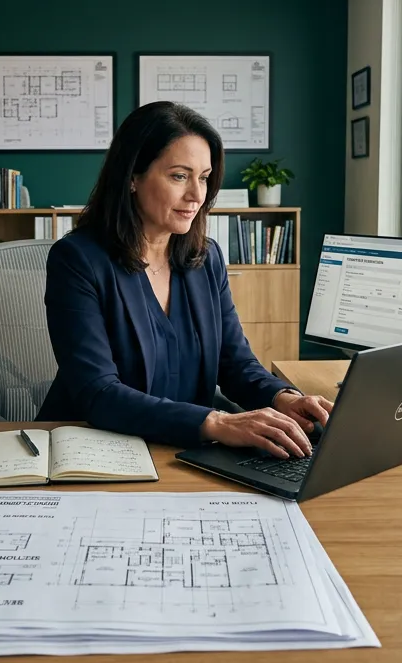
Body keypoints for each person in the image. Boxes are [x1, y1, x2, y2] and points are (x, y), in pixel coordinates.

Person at [37, 102, 331, 457]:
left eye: (204, 177)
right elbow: (97, 393)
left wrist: (282, 398)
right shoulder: (77, 260)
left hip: (181, 451)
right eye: (179, 176)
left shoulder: (206, 258)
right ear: (132, 177)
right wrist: (216, 422)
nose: (197, 195)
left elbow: (235, 363)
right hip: (92, 451)